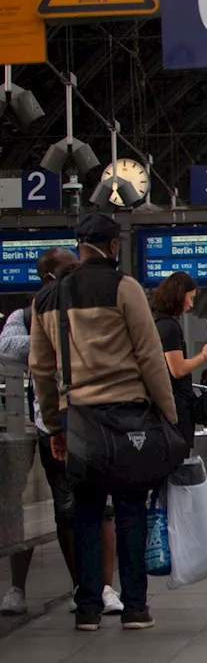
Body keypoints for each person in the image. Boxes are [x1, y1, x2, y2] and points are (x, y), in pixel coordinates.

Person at [28, 213, 178, 632]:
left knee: (87, 514)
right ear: (113, 246)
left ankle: (89, 609)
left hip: (79, 421)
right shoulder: (125, 287)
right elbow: (149, 356)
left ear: (79, 245)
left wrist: (55, 428)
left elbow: (40, 369)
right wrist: (168, 413)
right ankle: (134, 607)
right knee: (129, 509)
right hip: (128, 417)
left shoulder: (45, 300)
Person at [0, 248, 124, 618]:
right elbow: (6, 348)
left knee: (102, 506)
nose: (77, 273)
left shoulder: (90, 306)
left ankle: (103, 587)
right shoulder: (24, 316)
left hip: (94, 418)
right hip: (46, 423)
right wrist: (54, 334)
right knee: (63, 509)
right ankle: (73, 585)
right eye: (69, 269)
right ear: (48, 276)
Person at [150, 272, 207, 449]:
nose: (191, 304)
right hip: (175, 408)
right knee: (178, 463)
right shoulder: (169, 327)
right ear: (178, 295)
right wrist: (204, 356)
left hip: (168, 405)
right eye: (190, 298)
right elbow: (178, 369)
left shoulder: (159, 323)